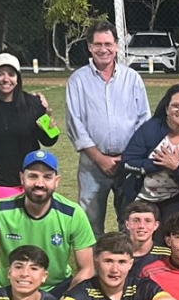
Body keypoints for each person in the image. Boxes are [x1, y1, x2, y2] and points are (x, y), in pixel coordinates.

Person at [64, 21, 152, 237]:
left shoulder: (132, 78)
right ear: (89, 47)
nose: (103, 49)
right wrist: (100, 158)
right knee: (90, 225)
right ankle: (94, 260)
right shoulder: (78, 80)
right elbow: (75, 123)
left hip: (129, 163)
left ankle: (128, 259)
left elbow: (144, 120)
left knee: (131, 223)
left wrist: (128, 156)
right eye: (98, 44)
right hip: (92, 165)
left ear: (117, 45)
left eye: (108, 44)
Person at [0, 150, 95, 296]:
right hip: (10, 289)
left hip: (56, 289)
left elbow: (87, 269)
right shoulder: (0, 210)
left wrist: (67, 298)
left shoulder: (73, 214)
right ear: (22, 178)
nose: (39, 183)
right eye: (33, 176)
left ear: (57, 181)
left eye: (47, 177)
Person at [120, 84, 179, 221]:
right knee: (142, 227)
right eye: (175, 106)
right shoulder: (151, 128)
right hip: (143, 197)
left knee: (177, 228)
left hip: (175, 198)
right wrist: (159, 163)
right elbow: (127, 162)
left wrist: (177, 167)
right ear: (167, 109)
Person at [0, 53, 58, 199]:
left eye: (11, 74)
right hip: (1, 181)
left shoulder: (34, 103)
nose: (6, 79)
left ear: (17, 78)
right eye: (0, 74)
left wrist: (49, 129)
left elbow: (49, 141)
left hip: (33, 178)